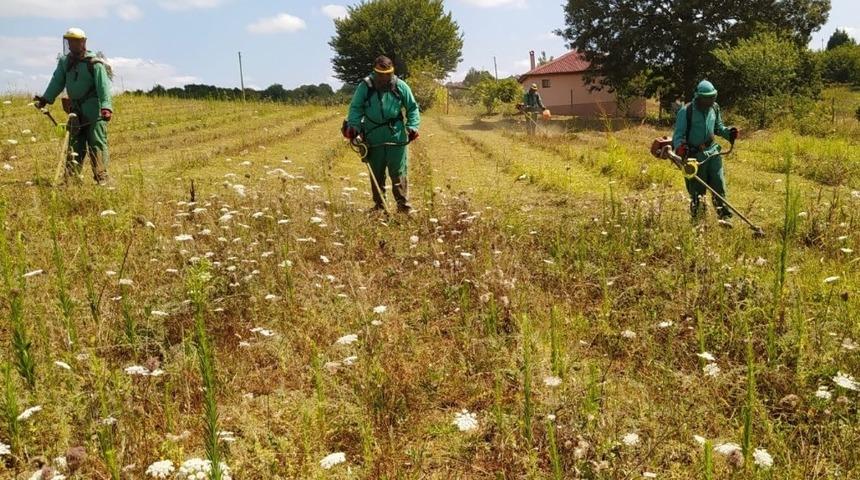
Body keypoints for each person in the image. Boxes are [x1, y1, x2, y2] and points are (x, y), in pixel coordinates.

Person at [34, 27, 113, 185]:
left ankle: (102, 178)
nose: (71, 45)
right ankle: (71, 179)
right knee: (74, 143)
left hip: (93, 109)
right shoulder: (65, 62)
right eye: (69, 41)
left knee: (96, 142)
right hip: (75, 109)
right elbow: (57, 81)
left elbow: (103, 87)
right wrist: (45, 99)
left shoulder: (94, 63)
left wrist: (106, 107)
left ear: (83, 42)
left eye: (75, 41)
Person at [343, 55, 421, 213]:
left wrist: (412, 126)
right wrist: (354, 127)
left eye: (387, 74)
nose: (384, 78)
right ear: (375, 72)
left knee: (398, 172)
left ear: (392, 72)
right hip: (373, 136)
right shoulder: (365, 86)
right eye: (380, 74)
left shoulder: (400, 86)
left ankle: (403, 207)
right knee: (376, 172)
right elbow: (356, 108)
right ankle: (380, 207)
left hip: (396, 136)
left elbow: (412, 108)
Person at [672, 80, 739, 225]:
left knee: (719, 184)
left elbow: (718, 127)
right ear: (698, 97)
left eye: (713, 97)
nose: (710, 100)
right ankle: (698, 222)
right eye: (707, 98)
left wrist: (729, 133)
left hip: (713, 153)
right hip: (694, 157)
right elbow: (677, 136)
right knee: (697, 192)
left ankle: (725, 218)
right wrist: (680, 148)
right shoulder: (686, 111)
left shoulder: (714, 108)